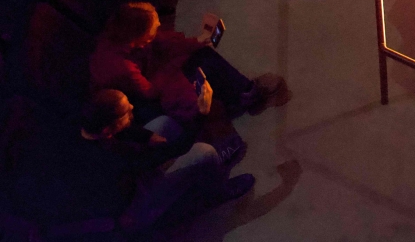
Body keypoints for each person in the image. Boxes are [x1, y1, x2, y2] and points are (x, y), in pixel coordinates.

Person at [7, 89, 254, 234]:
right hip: (131, 210)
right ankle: (216, 190)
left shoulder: (82, 125)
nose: (133, 107)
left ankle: (201, 171)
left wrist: (148, 136)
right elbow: (165, 152)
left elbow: (131, 135)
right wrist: (202, 113)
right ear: (108, 129)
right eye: (127, 110)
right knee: (203, 151)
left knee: (164, 125)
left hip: (124, 180)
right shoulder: (110, 158)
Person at [90, 2, 286, 128]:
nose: (158, 26)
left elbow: (163, 41)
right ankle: (244, 99)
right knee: (194, 69)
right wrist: (176, 63)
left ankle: (242, 94)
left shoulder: (127, 35)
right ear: (139, 38)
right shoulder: (118, 65)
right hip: (141, 103)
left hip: (150, 74)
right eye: (153, 27)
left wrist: (196, 42)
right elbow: (149, 92)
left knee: (201, 53)